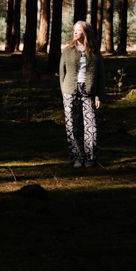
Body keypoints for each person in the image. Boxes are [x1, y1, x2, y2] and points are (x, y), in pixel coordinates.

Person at [59, 20, 104, 167]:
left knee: (91, 125)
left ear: (86, 32)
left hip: (89, 91)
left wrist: (99, 95)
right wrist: (64, 91)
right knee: (72, 125)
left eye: (79, 30)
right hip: (70, 90)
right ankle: (77, 157)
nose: (75, 32)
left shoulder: (94, 51)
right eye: (74, 30)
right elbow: (62, 73)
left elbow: (100, 75)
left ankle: (91, 158)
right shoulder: (67, 50)